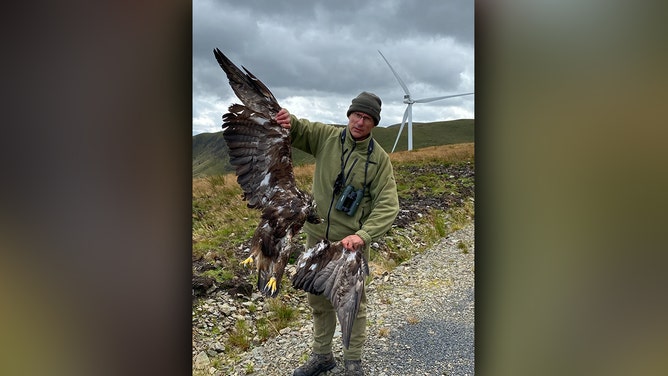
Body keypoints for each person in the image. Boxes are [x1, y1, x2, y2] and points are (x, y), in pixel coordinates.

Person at [275, 92, 400, 376]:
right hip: (317, 239)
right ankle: (322, 356)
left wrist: (363, 235)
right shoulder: (326, 138)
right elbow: (300, 129)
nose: (360, 122)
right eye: (357, 115)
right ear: (349, 115)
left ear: (374, 124)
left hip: (350, 245)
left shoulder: (379, 160)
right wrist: (287, 119)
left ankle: (353, 361)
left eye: (367, 118)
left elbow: (389, 204)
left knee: (351, 304)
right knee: (318, 300)